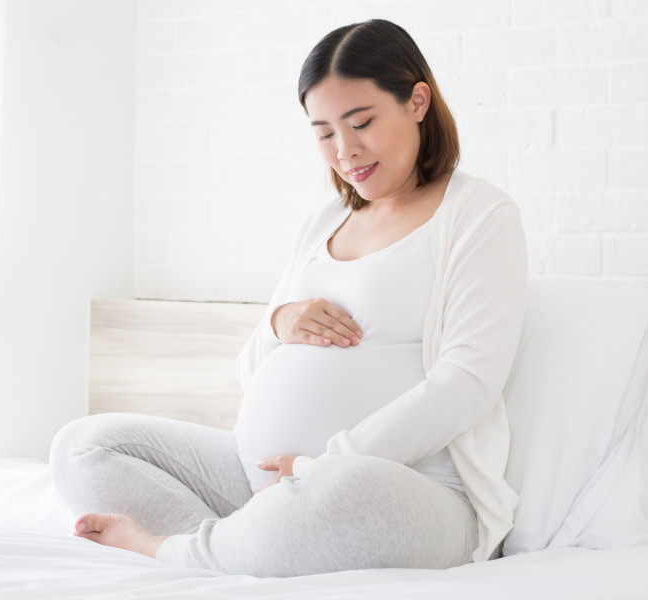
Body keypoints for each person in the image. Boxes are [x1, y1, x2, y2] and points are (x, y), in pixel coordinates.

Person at [48, 19, 527, 577]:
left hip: (400, 489)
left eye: (362, 122)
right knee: (82, 445)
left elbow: (466, 385)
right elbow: (250, 371)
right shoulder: (326, 221)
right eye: (324, 132)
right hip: (265, 480)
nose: (345, 151)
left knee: (340, 492)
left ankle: (170, 551)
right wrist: (279, 323)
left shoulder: (479, 215)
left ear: (417, 101)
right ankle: (242, 543)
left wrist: (323, 465)